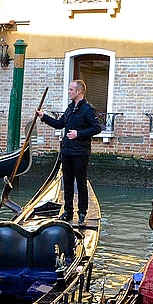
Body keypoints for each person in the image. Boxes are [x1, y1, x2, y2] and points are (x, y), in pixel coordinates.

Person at [36, 79, 103, 225]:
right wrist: (43, 117)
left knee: (80, 183)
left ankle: (82, 214)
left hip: (80, 152)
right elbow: (60, 124)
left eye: (71, 89)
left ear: (79, 91)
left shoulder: (88, 109)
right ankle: (68, 212)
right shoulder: (70, 108)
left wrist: (78, 134)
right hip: (66, 151)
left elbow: (97, 128)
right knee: (67, 183)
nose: (69, 92)